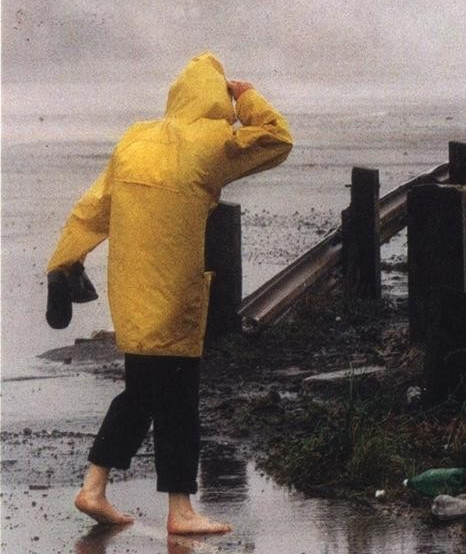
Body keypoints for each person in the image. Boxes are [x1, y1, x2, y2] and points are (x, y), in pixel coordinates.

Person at [46, 53, 292, 534]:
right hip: (175, 292)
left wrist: (63, 261)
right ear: (215, 99)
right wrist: (246, 97)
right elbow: (278, 138)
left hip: (132, 294)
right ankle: (178, 512)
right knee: (176, 399)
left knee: (143, 393)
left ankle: (95, 488)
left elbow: (92, 208)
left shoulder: (134, 139)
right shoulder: (212, 142)